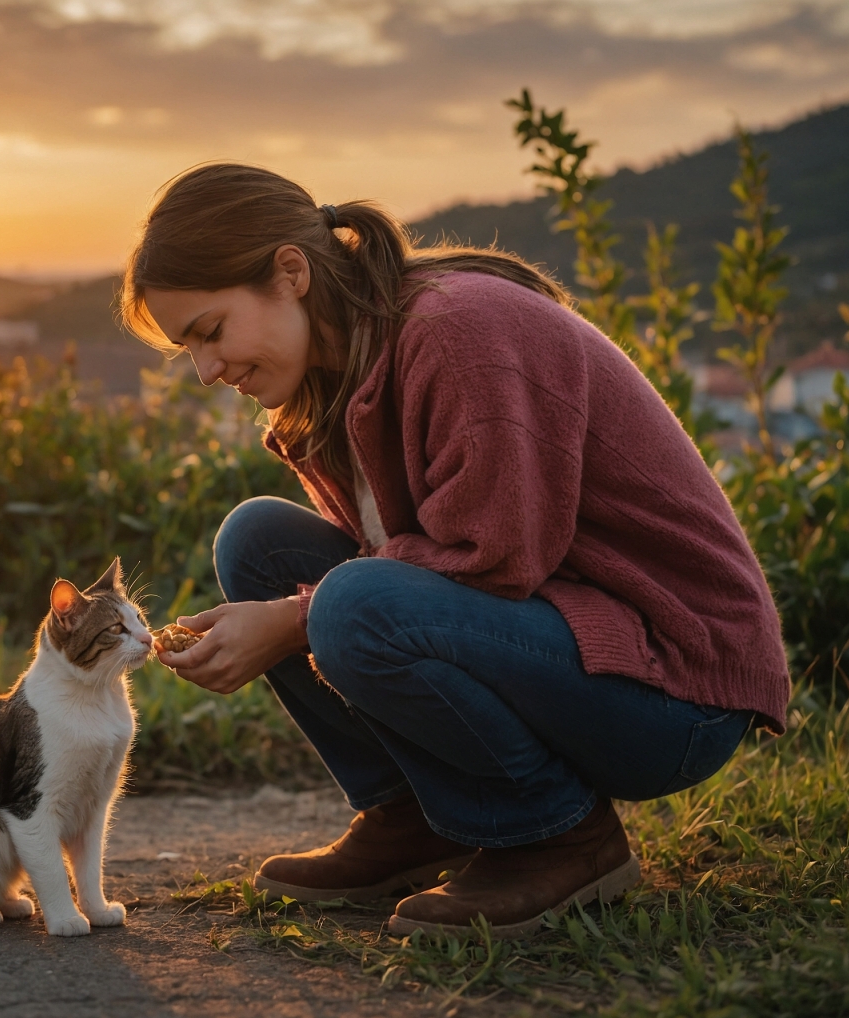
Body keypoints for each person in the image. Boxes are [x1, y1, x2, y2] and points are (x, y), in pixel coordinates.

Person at [119, 163, 790, 938]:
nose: (205, 370)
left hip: (673, 689)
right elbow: (409, 562)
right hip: (566, 639)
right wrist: (296, 607)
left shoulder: (457, 330)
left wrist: (292, 620)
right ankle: (417, 817)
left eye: (210, 331)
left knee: (341, 603)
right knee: (260, 542)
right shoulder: (342, 374)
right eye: (187, 349)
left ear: (291, 273)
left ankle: (558, 836)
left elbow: (494, 560)